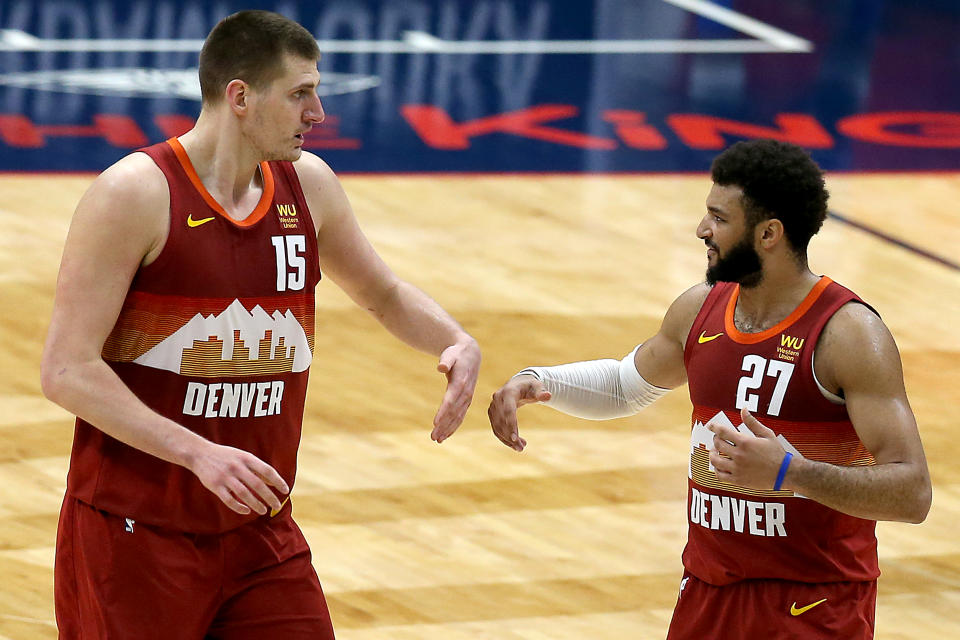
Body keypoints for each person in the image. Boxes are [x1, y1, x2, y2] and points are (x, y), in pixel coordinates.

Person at [40, 10, 480, 639]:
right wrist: (198, 454)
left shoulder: (309, 187)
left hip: (260, 529)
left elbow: (382, 292)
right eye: (301, 92)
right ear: (241, 97)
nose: (319, 112)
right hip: (137, 533)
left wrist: (453, 340)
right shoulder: (135, 194)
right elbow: (65, 370)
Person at [488, 139, 931, 639]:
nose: (702, 230)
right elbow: (625, 385)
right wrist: (539, 381)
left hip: (813, 606)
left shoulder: (847, 334)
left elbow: (912, 492)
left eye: (719, 218)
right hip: (706, 593)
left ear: (768, 233)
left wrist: (792, 473)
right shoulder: (700, 309)